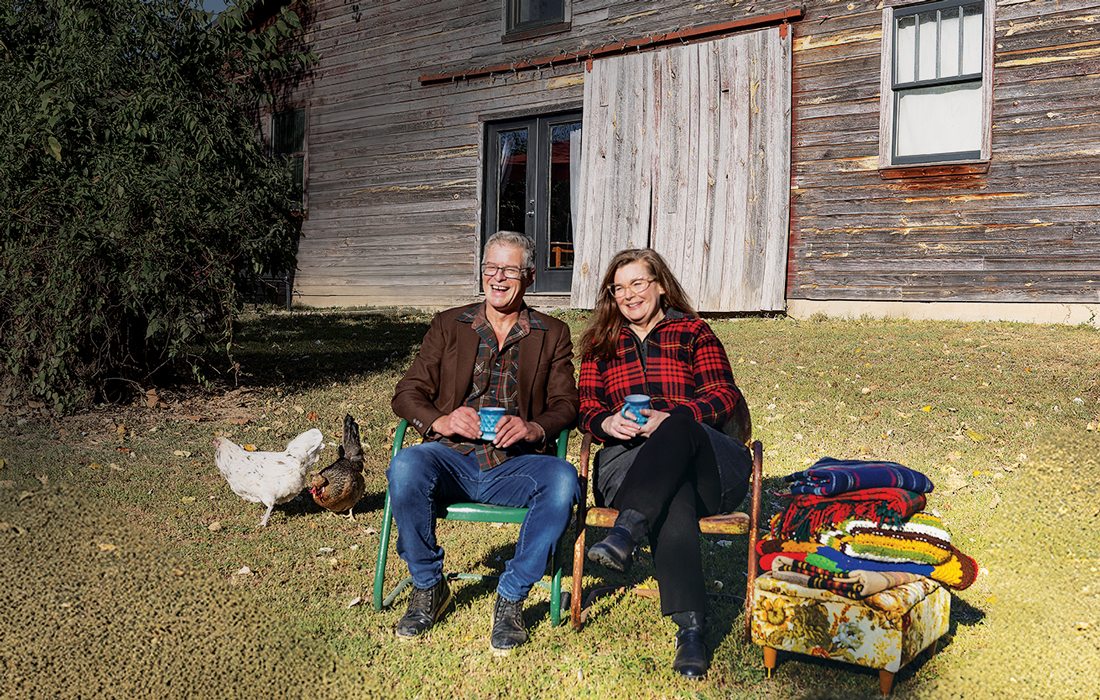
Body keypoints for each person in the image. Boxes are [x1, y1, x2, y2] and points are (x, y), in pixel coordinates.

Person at [387, 230, 579, 654]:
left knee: (564, 479)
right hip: (450, 457)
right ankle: (428, 587)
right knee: (405, 466)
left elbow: (567, 404)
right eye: (491, 267)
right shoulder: (449, 325)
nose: (498, 278)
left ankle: (511, 597)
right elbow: (406, 394)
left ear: (528, 276)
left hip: (515, 464)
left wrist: (534, 429)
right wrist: (441, 419)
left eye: (509, 270)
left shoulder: (552, 333)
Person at [577, 248, 752, 679]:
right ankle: (691, 630)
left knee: (677, 424)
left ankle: (626, 530)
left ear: (659, 285)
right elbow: (584, 408)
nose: (629, 295)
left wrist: (671, 419)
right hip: (630, 463)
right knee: (674, 499)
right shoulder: (600, 343)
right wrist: (606, 421)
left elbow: (723, 395)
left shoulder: (693, 332)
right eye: (619, 288)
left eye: (638, 283)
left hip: (705, 459)